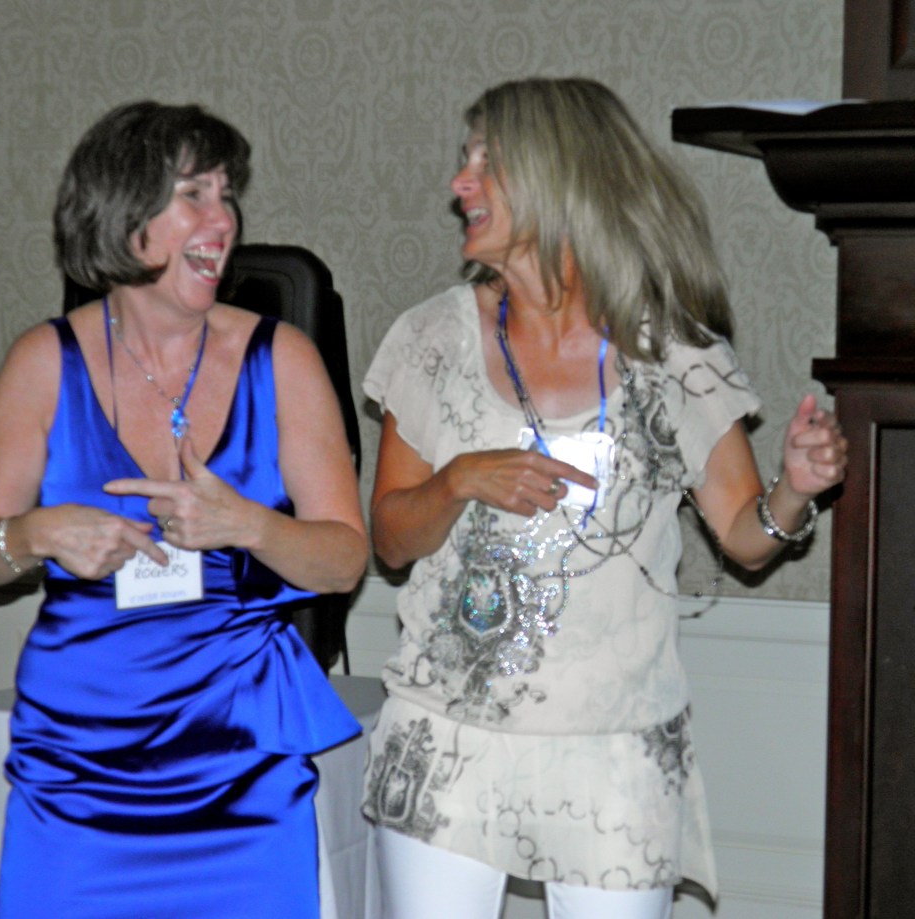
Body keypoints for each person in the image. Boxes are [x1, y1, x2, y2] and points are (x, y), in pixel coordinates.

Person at [361, 77, 848, 919]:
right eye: (463, 160)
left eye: (485, 163)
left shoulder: (675, 353)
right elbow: (391, 539)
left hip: (615, 752)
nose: (459, 183)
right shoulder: (432, 340)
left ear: (558, 176)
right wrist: (458, 478)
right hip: (447, 739)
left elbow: (745, 535)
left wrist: (796, 490)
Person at [0, 101, 367, 919]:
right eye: (194, 195)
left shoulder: (283, 359)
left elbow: (346, 558)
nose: (224, 220)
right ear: (122, 215)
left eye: (226, 195)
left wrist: (246, 524)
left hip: (242, 771)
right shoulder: (43, 361)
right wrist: (31, 533)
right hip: (78, 773)